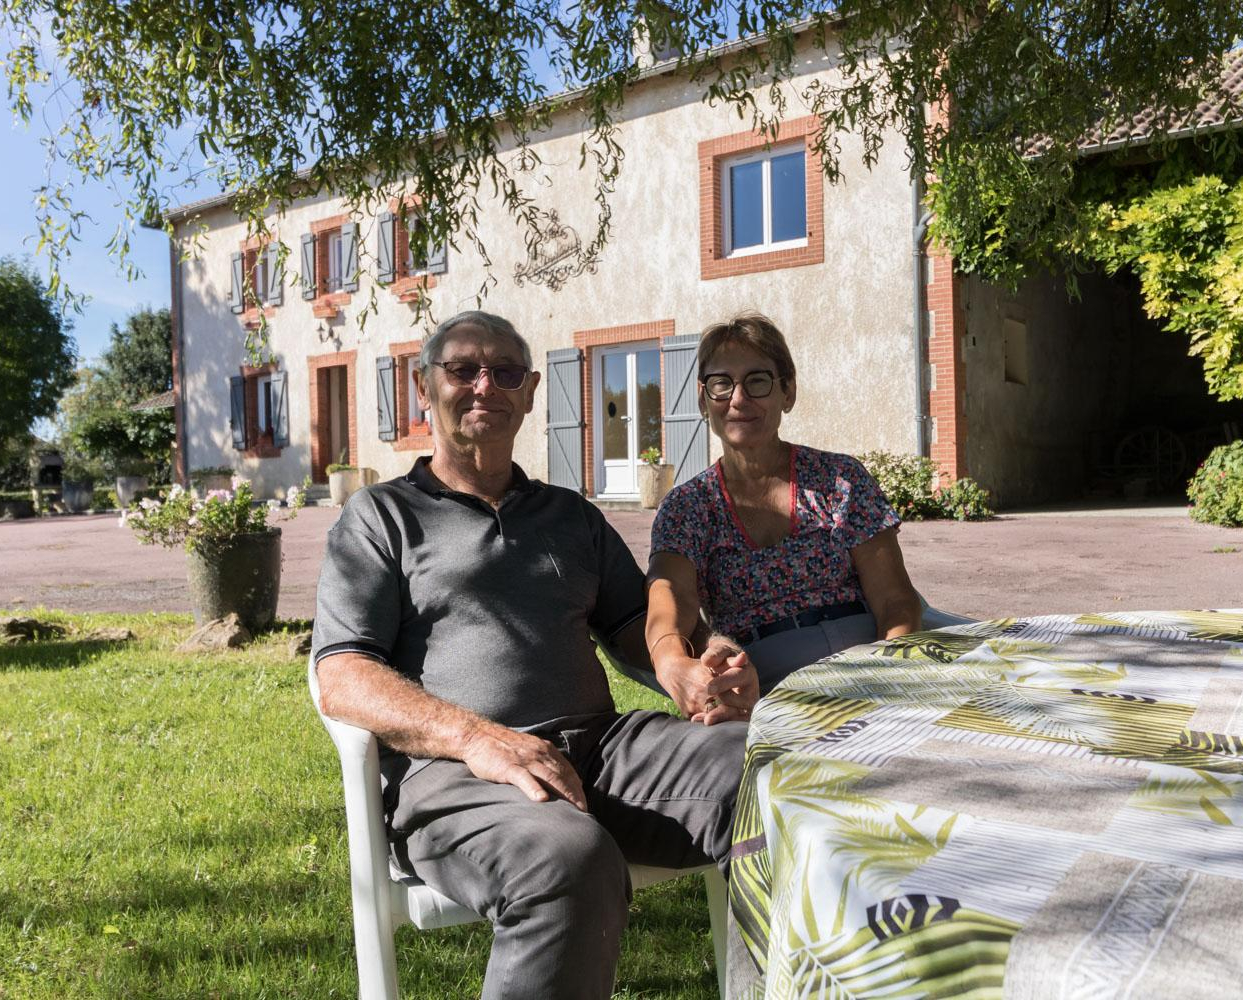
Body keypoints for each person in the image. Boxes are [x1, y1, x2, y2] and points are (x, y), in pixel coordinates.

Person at [311, 310, 758, 1000]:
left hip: (604, 753)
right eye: (463, 369)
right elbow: (343, 675)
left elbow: (640, 624)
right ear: (424, 388)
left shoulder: (570, 515)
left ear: (529, 393)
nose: (485, 386)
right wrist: (477, 738)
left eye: (505, 372)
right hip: (457, 775)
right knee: (567, 858)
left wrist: (705, 657)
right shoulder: (380, 517)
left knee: (774, 775)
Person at [647, 312, 924, 697]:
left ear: (788, 392)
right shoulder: (688, 507)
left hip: (866, 657)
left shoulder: (839, 479)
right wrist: (672, 662)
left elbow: (895, 600)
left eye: (758, 381)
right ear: (703, 399)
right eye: (721, 383)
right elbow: (668, 603)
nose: (738, 399)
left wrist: (886, 672)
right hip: (763, 679)